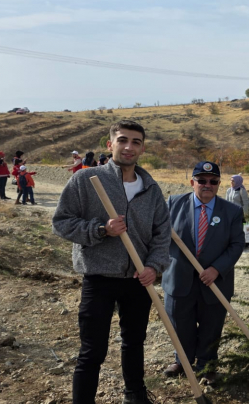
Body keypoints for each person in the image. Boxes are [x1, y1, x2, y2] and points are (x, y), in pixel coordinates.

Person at [52, 120, 171, 404]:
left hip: (137, 278)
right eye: (123, 140)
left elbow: (162, 235)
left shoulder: (151, 188)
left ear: (142, 147)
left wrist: (154, 267)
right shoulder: (86, 180)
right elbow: (62, 223)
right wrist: (101, 230)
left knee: (134, 344)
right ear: (110, 144)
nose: (129, 146)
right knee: (92, 350)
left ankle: (136, 396)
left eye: (136, 142)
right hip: (99, 277)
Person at [162, 161, 245, 382]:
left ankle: (207, 366)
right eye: (201, 180)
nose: (207, 185)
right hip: (179, 280)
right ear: (192, 182)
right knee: (180, 324)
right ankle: (182, 362)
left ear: (219, 184)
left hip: (215, 281)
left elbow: (237, 244)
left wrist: (217, 269)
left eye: (213, 181)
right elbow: (158, 237)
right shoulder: (173, 203)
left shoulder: (233, 211)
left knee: (211, 326)